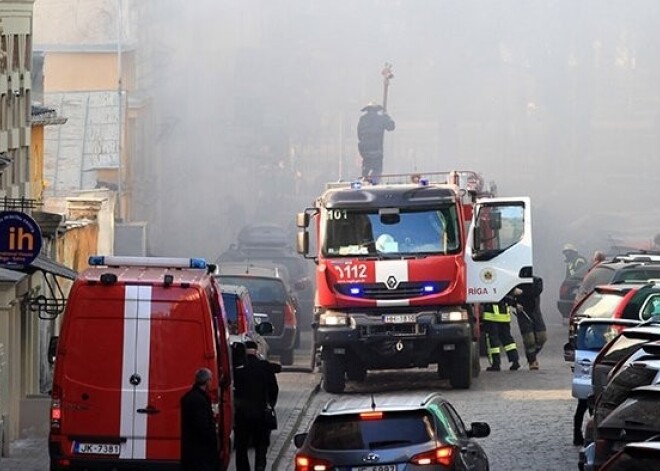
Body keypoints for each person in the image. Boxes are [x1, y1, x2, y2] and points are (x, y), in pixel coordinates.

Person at [233, 340, 279, 471]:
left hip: (242, 414)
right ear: (257, 350)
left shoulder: (238, 368)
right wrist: (270, 404)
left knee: (242, 445)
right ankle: (260, 466)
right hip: (261, 412)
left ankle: (243, 468)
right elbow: (273, 389)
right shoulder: (264, 367)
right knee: (261, 443)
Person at [180, 368, 219, 471]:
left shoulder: (188, 397)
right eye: (210, 380)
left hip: (190, 448)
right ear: (207, 382)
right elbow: (203, 425)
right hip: (200, 450)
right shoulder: (200, 400)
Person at [513, 276, 547, 370]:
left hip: (535, 313)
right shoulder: (515, 282)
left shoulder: (537, 281)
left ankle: (531, 355)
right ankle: (532, 361)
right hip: (523, 313)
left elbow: (535, 292)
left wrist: (522, 292)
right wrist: (515, 304)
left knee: (542, 337)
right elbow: (507, 295)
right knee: (529, 340)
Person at [357, 102, 395, 182]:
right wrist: (386, 117)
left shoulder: (362, 119)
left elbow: (359, 134)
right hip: (376, 148)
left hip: (364, 148)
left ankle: (365, 180)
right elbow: (391, 127)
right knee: (377, 168)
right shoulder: (381, 119)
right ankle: (373, 182)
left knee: (366, 166)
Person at [483, 291, 521, 372]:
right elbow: (509, 298)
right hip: (504, 316)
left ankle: (496, 364)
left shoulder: (490, 283)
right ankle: (515, 361)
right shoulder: (504, 283)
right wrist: (514, 303)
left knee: (493, 342)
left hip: (491, 316)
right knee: (508, 340)